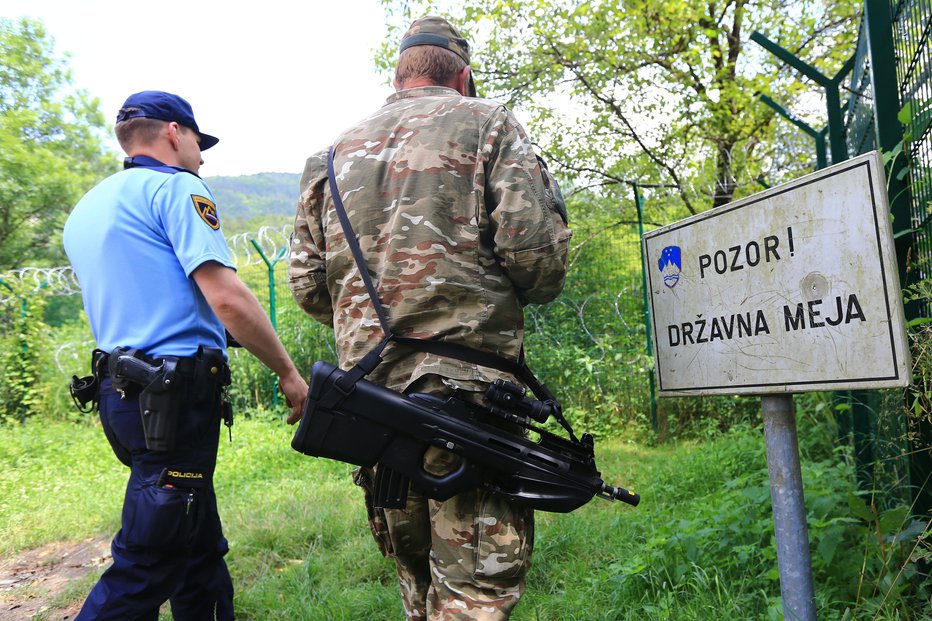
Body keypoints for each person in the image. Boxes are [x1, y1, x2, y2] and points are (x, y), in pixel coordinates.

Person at [288, 16, 571, 620]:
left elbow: (309, 288)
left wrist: (370, 313)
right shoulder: (489, 125)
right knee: (474, 592)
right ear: (462, 77)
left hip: (370, 405)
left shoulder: (329, 156)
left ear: (399, 75)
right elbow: (537, 261)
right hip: (469, 401)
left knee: (417, 586)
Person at [63, 90, 308, 620]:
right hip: (172, 403)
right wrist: (288, 372)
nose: (202, 155)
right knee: (149, 560)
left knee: (196, 546)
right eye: (200, 142)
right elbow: (226, 295)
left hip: (122, 397)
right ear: (175, 132)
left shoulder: (89, 207)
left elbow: (143, 300)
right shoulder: (177, 190)